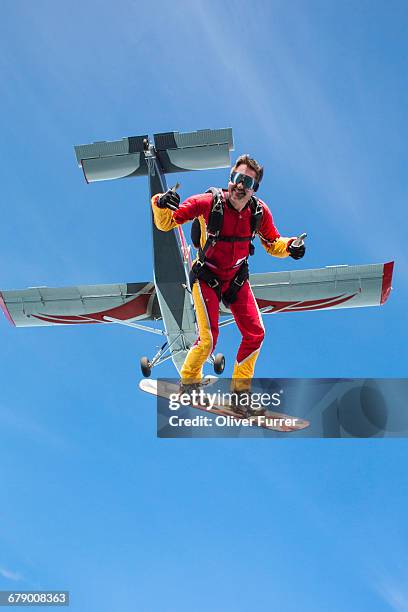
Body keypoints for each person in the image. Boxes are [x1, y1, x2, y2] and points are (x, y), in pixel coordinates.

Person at [151, 154, 305, 399]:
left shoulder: (259, 212)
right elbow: (167, 223)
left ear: (255, 189)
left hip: (236, 280)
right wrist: (160, 202)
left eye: (247, 181)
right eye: (237, 178)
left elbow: (273, 243)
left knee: (256, 333)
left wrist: (290, 247)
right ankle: (189, 382)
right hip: (206, 278)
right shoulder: (208, 203)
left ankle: (240, 391)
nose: (240, 185)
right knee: (208, 340)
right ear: (230, 178)